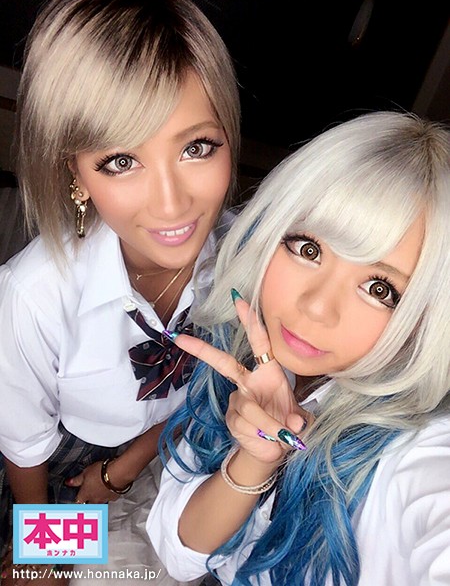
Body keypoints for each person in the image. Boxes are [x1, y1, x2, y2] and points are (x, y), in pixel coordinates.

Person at [147, 111, 450, 586]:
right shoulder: (31, 294)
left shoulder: (419, 457)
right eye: (309, 249)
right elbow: (176, 551)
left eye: (380, 289)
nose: (316, 307)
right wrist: (255, 459)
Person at [0, 0, 239, 582]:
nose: (171, 203)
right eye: (121, 161)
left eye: (197, 147)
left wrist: (127, 467)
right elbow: (25, 448)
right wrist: (45, 548)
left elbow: (210, 395)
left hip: (184, 446)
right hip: (60, 469)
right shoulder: (35, 296)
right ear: (77, 175)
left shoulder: (248, 260)